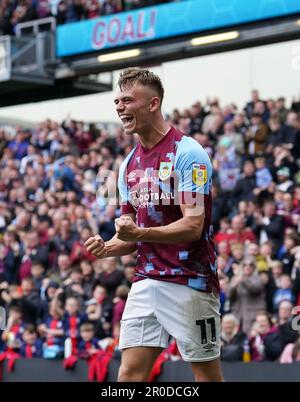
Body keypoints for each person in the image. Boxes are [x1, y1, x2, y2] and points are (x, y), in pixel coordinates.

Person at [84, 68, 223, 382]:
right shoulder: (128, 164)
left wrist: (139, 233)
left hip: (191, 282)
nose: (119, 107)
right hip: (146, 280)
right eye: (117, 100)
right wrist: (106, 248)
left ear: (153, 104)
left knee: (207, 378)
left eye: (128, 100)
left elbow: (192, 226)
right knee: (130, 374)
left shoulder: (188, 154)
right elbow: (131, 236)